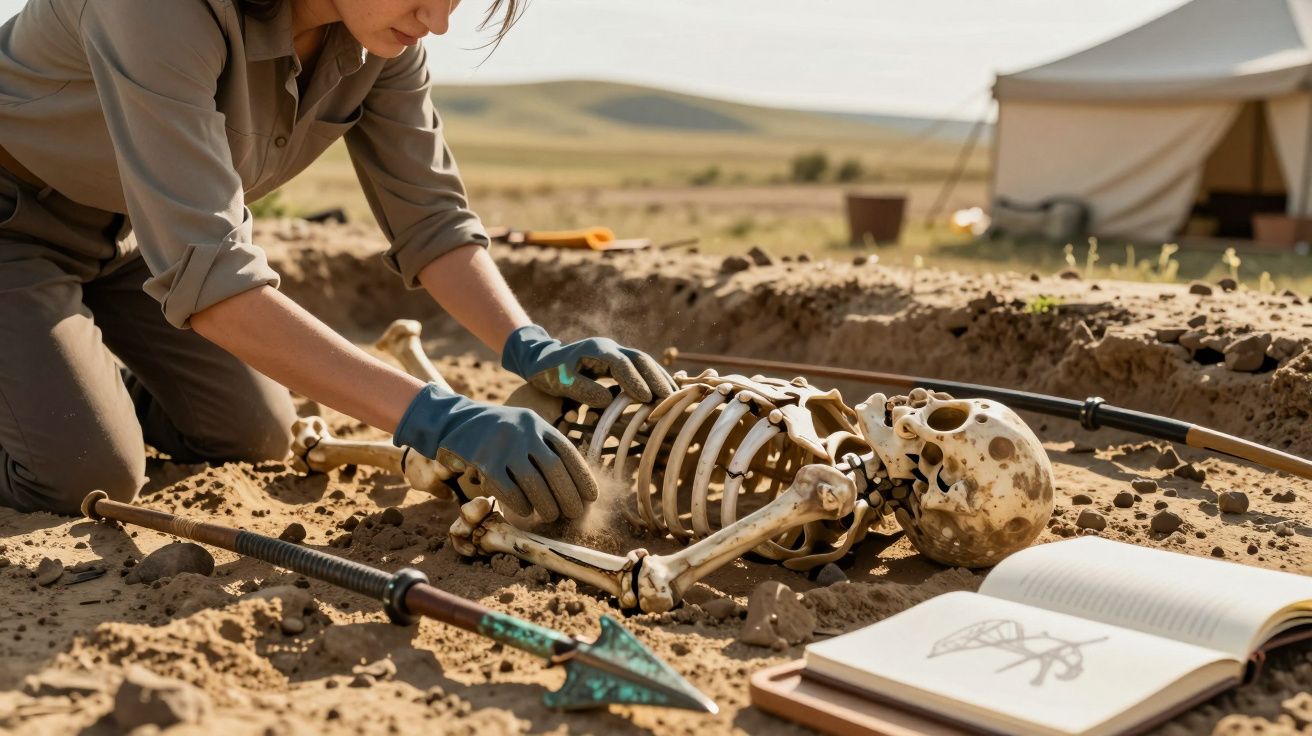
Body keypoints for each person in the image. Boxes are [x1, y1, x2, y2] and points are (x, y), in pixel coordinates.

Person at [0, 0, 673, 519]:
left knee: (254, 430)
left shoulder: (378, 35)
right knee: (85, 472)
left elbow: (431, 219)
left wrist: (528, 345)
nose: (437, 21)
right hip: (14, 224)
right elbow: (212, 282)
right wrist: (444, 419)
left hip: (136, 237)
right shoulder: (159, 11)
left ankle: (54, 384)